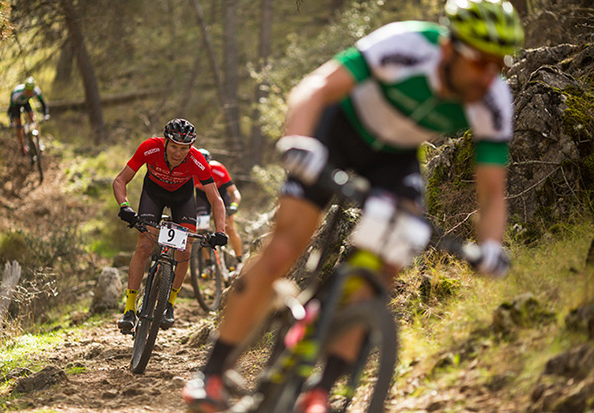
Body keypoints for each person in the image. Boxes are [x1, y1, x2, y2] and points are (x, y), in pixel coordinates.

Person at [183, 0, 523, 411]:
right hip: (336, 130)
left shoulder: (492, 100)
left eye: (498, 65)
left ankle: (321, 391)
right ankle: (212, 374)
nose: (490, 75)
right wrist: (300, 140)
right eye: (480, 62)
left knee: (379, 272)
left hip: (393, 158)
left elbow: (491, 191)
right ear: (449, 49)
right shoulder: (408, 45)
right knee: (286, 244)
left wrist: (490, 247)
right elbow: (317, 87)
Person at [113, 118, 228, 332]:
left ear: (191, 147)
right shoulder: (149, 148)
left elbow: (216, 199)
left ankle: (169, 305)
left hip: (182, 199)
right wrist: (125, 207)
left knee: (184, 250)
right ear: (165, 141)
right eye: (174, 146)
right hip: (153, 194)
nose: (178, 152)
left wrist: (220, 231)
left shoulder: (197, 161)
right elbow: (120, 180)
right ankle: (129, 309)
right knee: (145, 246)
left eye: (184, 148)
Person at [195, 148, 244, 268]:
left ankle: (239, 259)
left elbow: (234, 192)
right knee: (202, 230)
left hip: (220, 194)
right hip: (202, 196)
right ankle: (208, 263)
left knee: (229, 227)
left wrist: (234, 205)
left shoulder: (218, 169)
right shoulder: (191, 172)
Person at [7, 76, 50, 156]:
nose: (29, 94)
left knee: (33, 119)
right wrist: (11, 121)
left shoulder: (36, 91)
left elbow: (43, 103)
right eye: (27, 92)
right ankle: (22, 146)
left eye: (31, 92)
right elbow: (10, 109)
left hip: (26, 103)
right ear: (24, 89)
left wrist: (46, 114)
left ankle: (39, 142)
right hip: (16, 106)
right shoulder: (16, 94)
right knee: (18, 124)